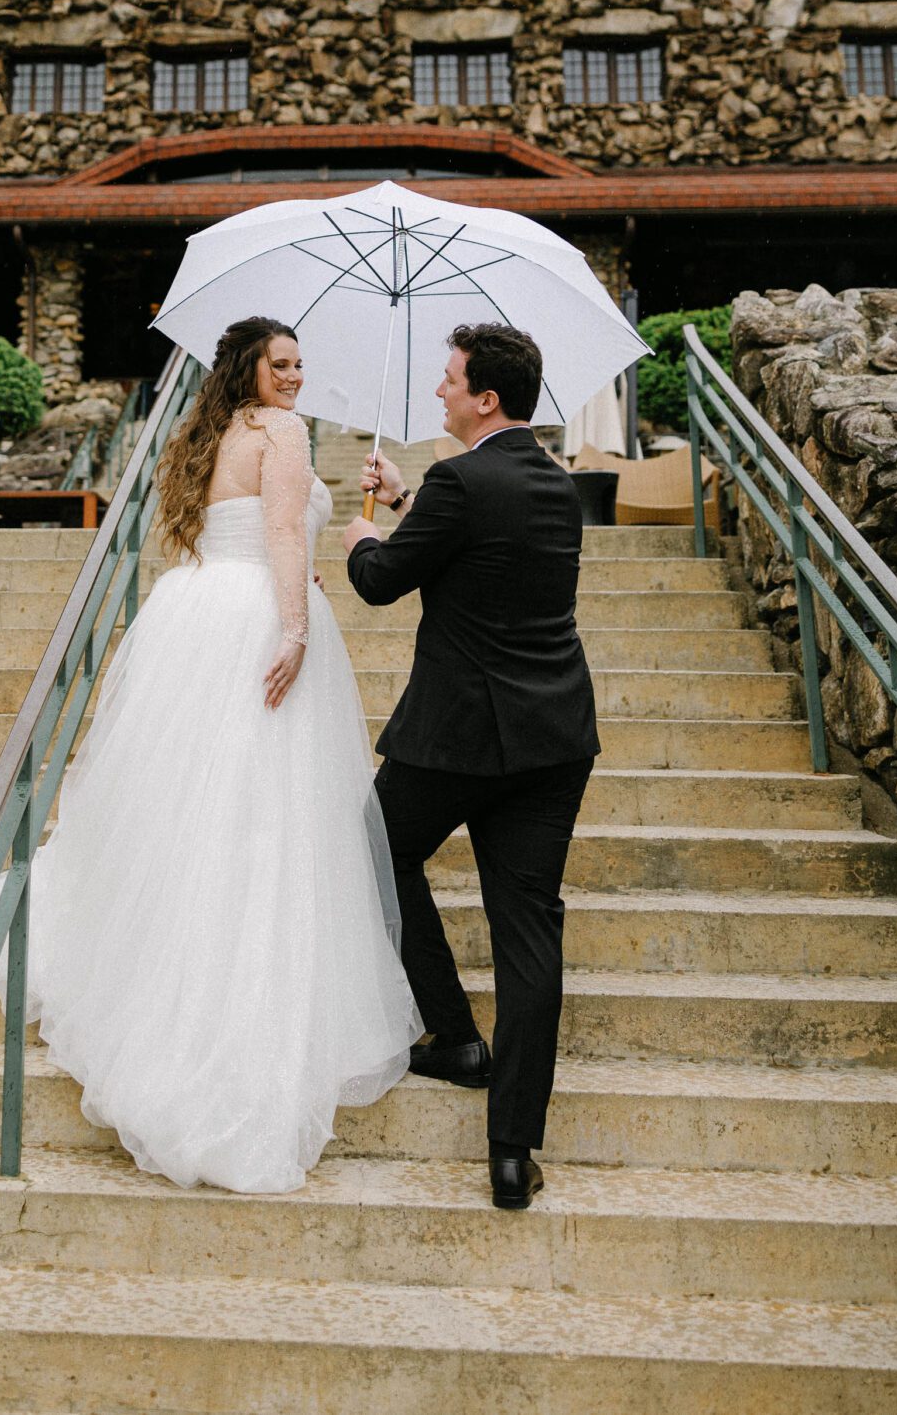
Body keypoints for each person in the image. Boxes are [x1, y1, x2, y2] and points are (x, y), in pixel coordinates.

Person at [3, 316, 420, 1194]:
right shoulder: (283, 432)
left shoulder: (211, 431)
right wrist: (297, 626)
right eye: (282, 364)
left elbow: (239, 529)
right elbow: (279, 535)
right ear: (251, 368)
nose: (297, 377)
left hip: (190, 613)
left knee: (189, 803)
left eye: (303, 364)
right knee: (262, 812)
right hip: (255, 619)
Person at [343, 321, 598, 1211]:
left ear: (487, 397)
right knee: (529, 932)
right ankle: (512, 1152)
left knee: (376, 846)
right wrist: (417, 504)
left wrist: (361, 537)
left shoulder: (460, 480)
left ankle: (452, 1034)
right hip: (553, 738)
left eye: (449, 380)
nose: (440, 392)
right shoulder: (558, 486)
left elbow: (380, 583)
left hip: (455, 739)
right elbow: (484, 556)